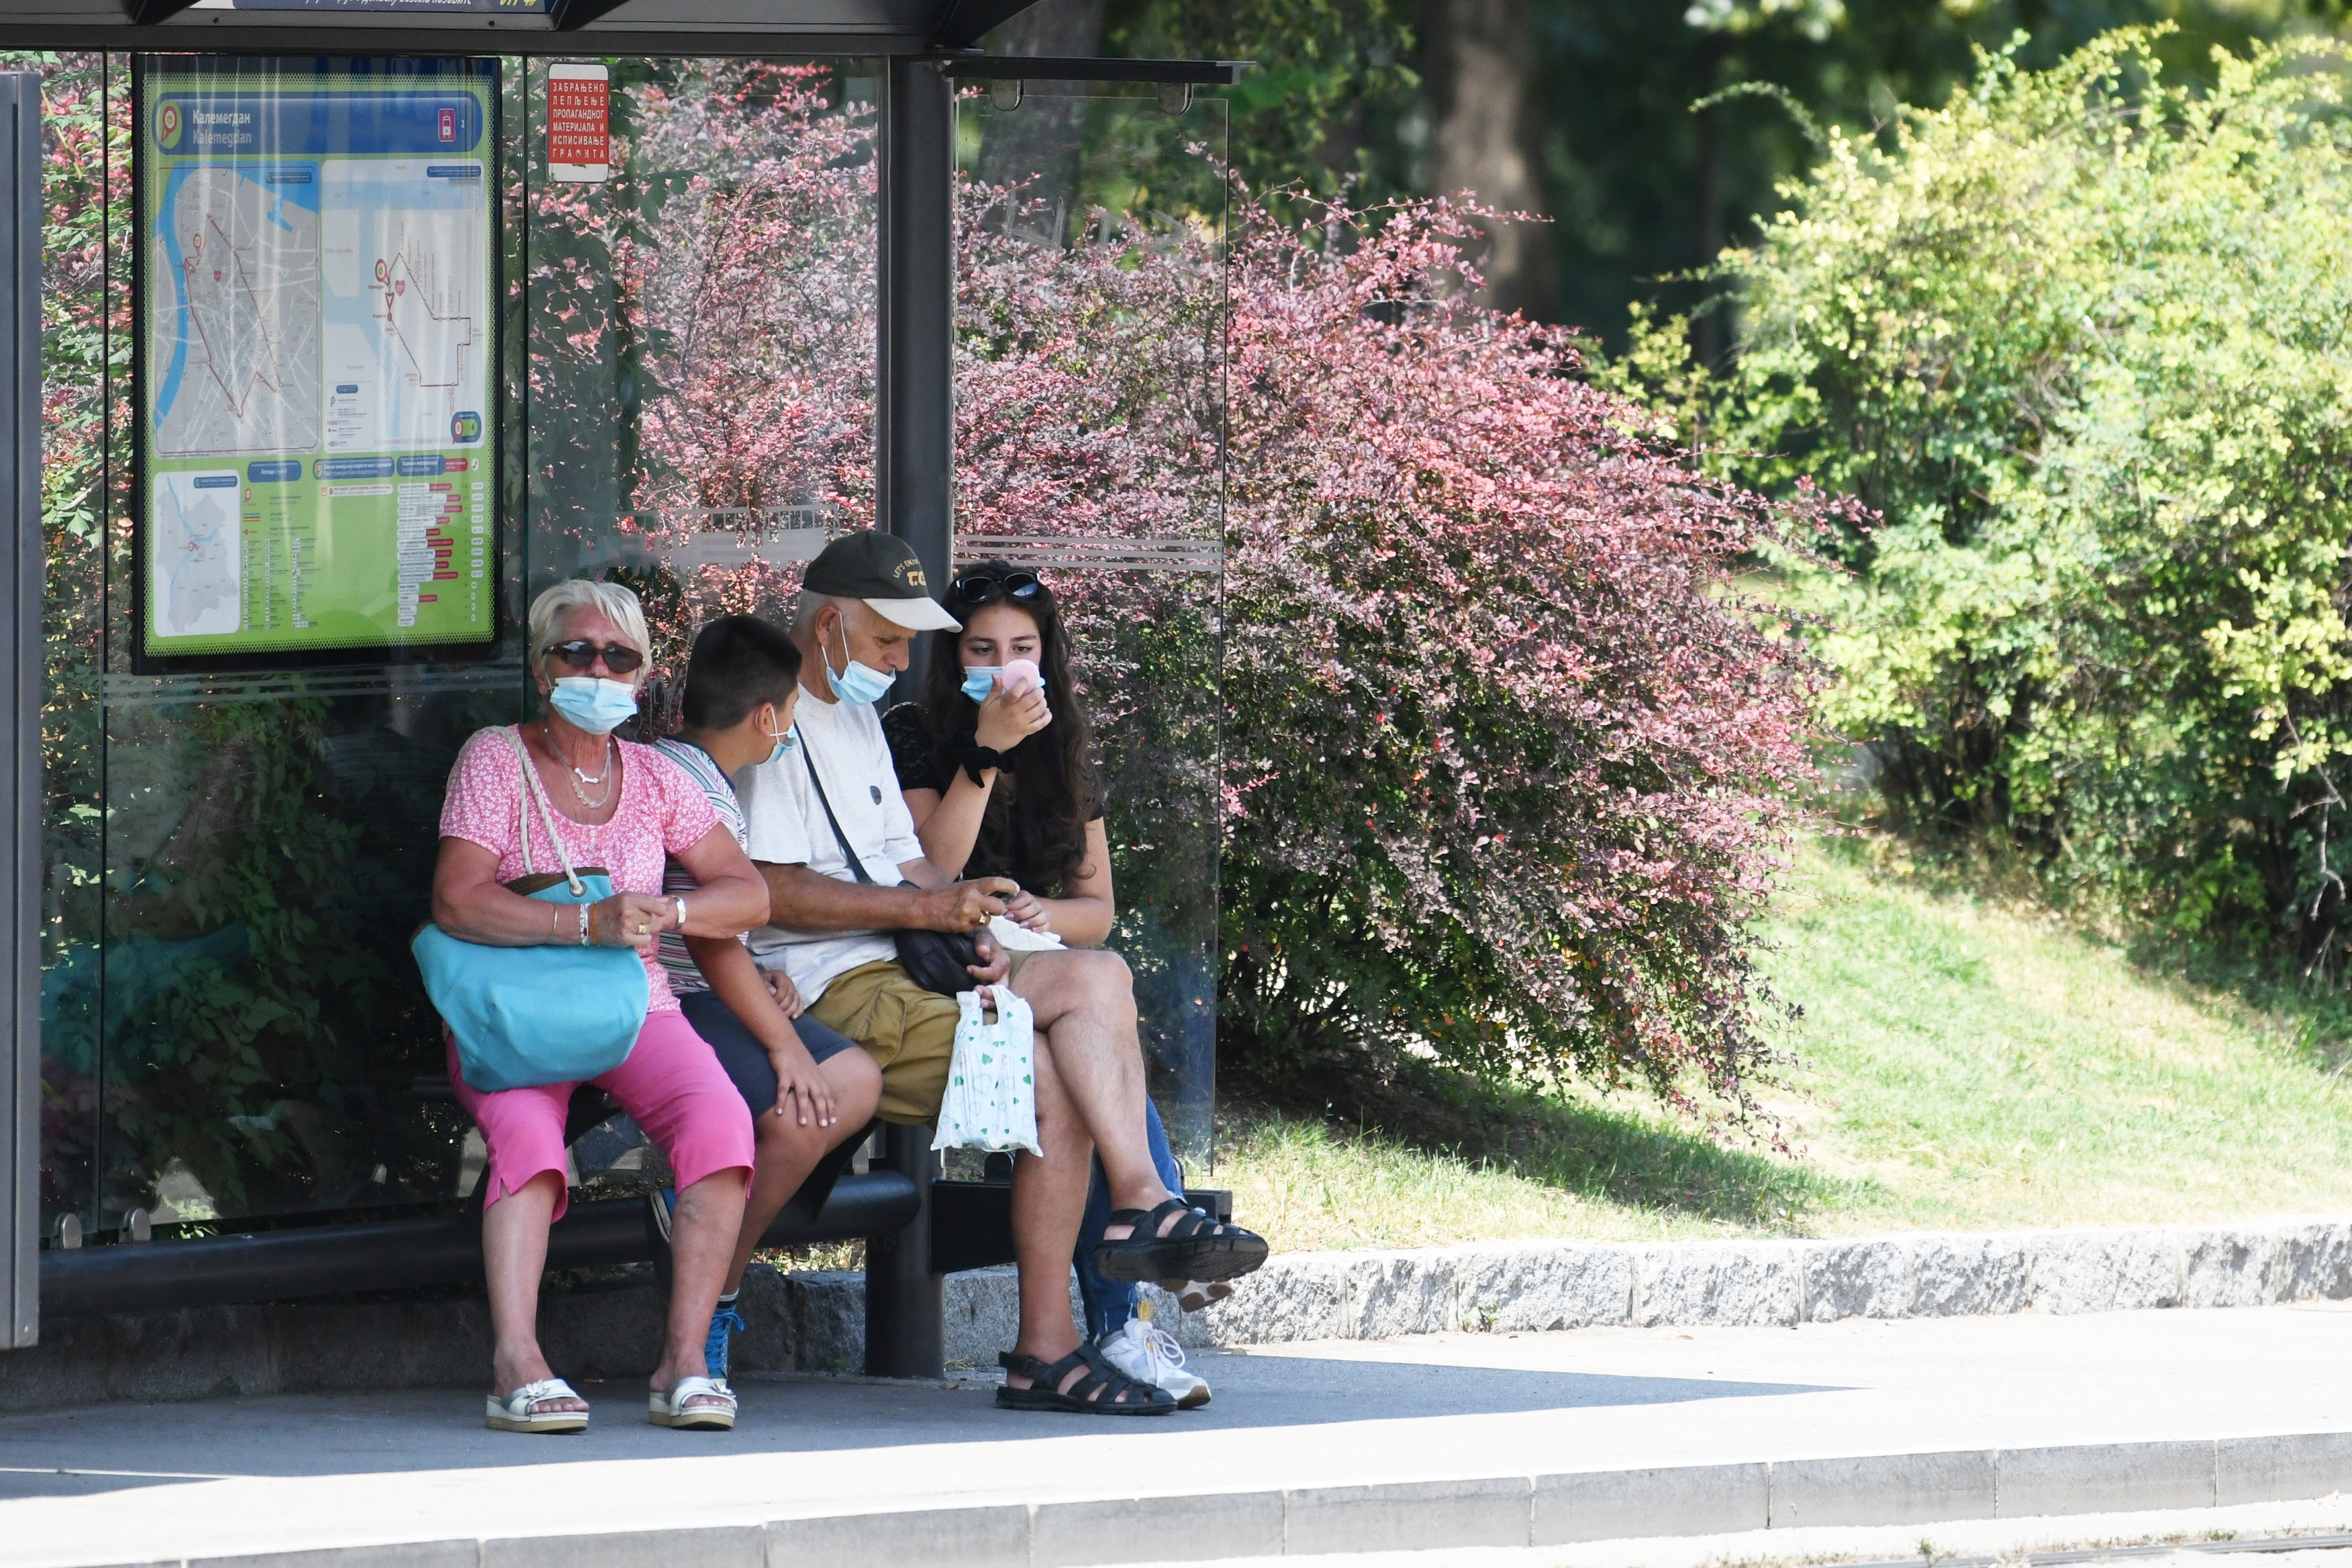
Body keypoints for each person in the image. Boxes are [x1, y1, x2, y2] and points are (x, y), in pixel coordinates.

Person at [733, 530, 1267, 1416]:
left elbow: (917, 871)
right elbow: (773, 891)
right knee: (1058, 1057)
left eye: (913, 642)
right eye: (888, 640)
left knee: (1100, 978)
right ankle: (1063, 1335)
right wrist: (939, 894)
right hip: (838, 979)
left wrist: (967, 910)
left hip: (914, 959)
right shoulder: (781, 719)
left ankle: (1136, 1210)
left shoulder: (860, 717)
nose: (904, 658)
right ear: (827, 625)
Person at [431, 579, 764, 1435]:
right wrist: (584, 921)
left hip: (634, 1005)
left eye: (619, 656)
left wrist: (673, 913)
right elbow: (457, 900)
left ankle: (685, 1360)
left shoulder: (654, 776)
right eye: (576, 651)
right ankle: (517, 1363)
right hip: (516, 1011)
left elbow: (748, 893)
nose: (597, 669)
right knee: (528, 1139)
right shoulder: (494, 757)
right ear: (542, 670)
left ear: (646, 676)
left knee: (721, 1122)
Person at [884, 559, 1214, 1407]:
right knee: (1098, 1005)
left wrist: (1039, 910)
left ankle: (1128, 1286)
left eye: (1021, 647)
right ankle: (1138, 1268)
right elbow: (935, 870)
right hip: (949, 958)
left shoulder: (1066, 741)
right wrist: (984, 750)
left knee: (1090, 1026)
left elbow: (1094, 910)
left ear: (1048, 651)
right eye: (982, 648)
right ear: (953, 656)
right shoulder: (913, 731)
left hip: (1041, 957)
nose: (1003, 665)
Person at [650, 615, 883, 1379]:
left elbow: (724, 931)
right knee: (807, 1104)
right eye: (789, 715)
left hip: (716, 988)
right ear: (767, 717)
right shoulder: (693, 788)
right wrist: (784, 1047)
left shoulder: (689, 770)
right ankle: (711, 1283)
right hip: (677, 1002)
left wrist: (764, 971)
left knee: (851, 1082)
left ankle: (711, 1259)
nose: (789, 729)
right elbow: (708, 939)